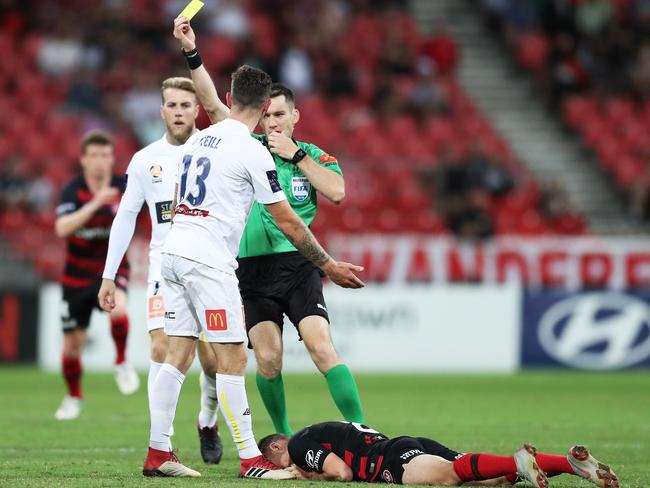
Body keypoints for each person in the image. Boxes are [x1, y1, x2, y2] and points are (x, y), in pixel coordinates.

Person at [129, 63, 363, 478]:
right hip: (210, 262)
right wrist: (328, 265)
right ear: (265, 105)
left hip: (174, 252)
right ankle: (252, 459)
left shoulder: (201, 139)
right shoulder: (251, 151)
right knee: (233, 359)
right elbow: (290, 222)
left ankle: (157, 452)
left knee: (177, 355)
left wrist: (191, 53)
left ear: (231, 96)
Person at [174, 15, 365, 436]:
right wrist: (192, 52)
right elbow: (212, 104)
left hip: (298, 267)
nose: (273, 123)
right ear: (260, 115)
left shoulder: (314, 156)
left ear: (295, 116)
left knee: (321, 348)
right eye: (269, 115)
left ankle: (361, 429)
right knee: (269, 359)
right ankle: (283, 434)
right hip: (252, 269)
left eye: (282, 115)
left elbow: (337, 192)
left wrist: (296, 155)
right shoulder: (247, 145)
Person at [98, 77, 224, 464]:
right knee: (161, 346)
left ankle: (207, 420)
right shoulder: (144, 159)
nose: (179, 111)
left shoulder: (218, 152)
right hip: (162, 267)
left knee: (214, 362)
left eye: (186, 105)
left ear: (197, 109)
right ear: (162, 111)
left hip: (208, 265)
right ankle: (161, 444)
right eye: (172, 105)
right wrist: (108, 274)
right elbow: (125, 219)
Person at [53, 130, 140, 420]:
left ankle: (121, 361)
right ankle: (73, 396)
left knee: (119, 310)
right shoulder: (73, 190)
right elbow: (62, 229)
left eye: (105, 155)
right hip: (76, 277)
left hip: (111, 271)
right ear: (83, 160)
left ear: (112, 158)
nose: (100, 161)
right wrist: (94, 204)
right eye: (94, 156)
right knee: (72, 346)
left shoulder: (122, 186)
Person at [259, 421, 620, 488]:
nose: (283, 467)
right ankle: (570, 463)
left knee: (451, 475)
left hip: (390, 460)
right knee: (491, 480)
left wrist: (308, 474)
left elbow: (342, 474)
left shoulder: (301, 444)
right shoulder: (320, 429)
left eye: (276, 462)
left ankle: (518, 462)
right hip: (405, 443)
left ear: (277, 447)